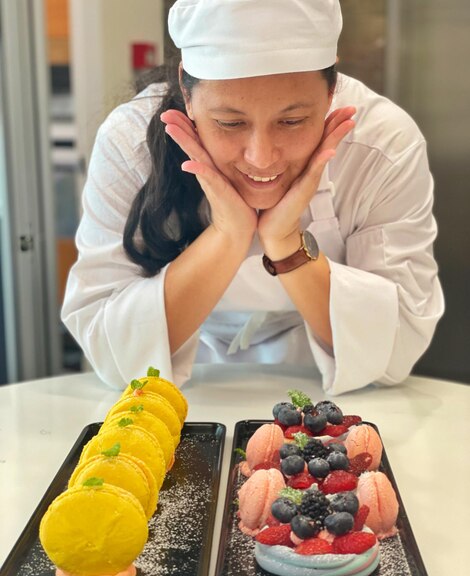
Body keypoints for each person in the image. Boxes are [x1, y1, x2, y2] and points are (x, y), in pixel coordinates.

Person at [62, 0, 444, 395]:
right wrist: (229, 233)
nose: (261, 156)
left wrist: (285, 243)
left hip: (326, 383)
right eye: (230, 123)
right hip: (176, 385)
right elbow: (107, 347)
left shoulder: (382, 145)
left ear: (332, 92)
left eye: (291, 121)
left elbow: (396, 350)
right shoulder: (129, 144)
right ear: (187, 95)